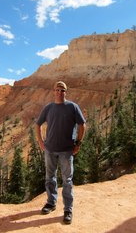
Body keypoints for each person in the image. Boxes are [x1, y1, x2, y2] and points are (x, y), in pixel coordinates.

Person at [35, 81, 86, 225]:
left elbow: (82, 125)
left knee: (67, 181)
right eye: (57, 90)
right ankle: (51, 203)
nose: (59, 92)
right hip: (50, 149)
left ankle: (68, 210)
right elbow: (38, 124)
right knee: (50, 177)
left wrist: (78, 143)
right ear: (54, 91)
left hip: (66, 151)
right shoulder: (49, 108)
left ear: (66, 92)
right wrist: (40, 142)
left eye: (62, 90)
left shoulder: (72, 107)